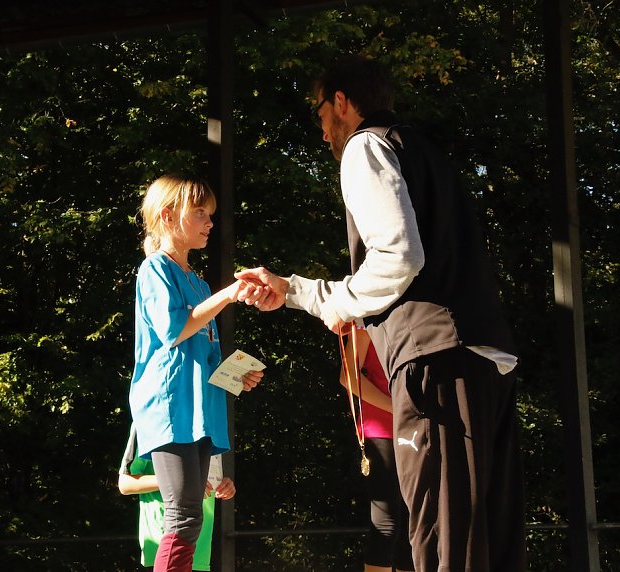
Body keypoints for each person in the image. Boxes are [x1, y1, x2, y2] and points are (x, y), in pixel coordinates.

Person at [236, 55, 526, 571]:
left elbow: (398, 255)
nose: (322, 129)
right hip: (485, 359)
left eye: (321, 113)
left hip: (435, 358)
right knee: (488, 539)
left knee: (440, 539)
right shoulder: (425, 152)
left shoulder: (365, 146)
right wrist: (298, 291)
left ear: (342, 103)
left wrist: (335, 303)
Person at [129, 173, 264, 572]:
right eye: (201, 213)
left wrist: (234, 375)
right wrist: (229, 293)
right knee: (184, 516)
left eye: (211, 214)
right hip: (171, 410)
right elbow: (173, 331)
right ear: (168, 217)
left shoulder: (199, 283)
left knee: (191, 517)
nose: (210, 222)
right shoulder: (154, 270)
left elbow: (199, 357)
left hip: (198, 412)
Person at [340, 328, 413, 572]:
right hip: (381, 429)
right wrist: (396, 408)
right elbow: (348, 375)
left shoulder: (414, 317)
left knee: (414, 519)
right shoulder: (365, 319)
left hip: (416, 427)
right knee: (387, 521)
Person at [119, 425, 237, 571]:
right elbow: (125, 483)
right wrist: (177, 479)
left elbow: (210, 477)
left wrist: (225, 484)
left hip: (201, 551)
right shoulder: (149, 417)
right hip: (162, 544)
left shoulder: (209, 422)